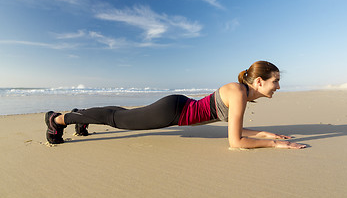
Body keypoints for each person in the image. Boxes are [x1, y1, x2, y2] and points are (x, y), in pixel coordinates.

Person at [45, 61, 306, 149]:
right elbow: (235, 142)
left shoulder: (241, 93)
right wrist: (273, 144)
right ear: (259, 81)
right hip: (172, 113)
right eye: (276, 81)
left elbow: (235, 132)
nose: (278, 87)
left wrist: (262, 133)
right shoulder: (238, 93)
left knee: (121, 115)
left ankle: (82, 116)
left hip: (176, 108)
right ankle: (58, 119)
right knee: (118, 119)